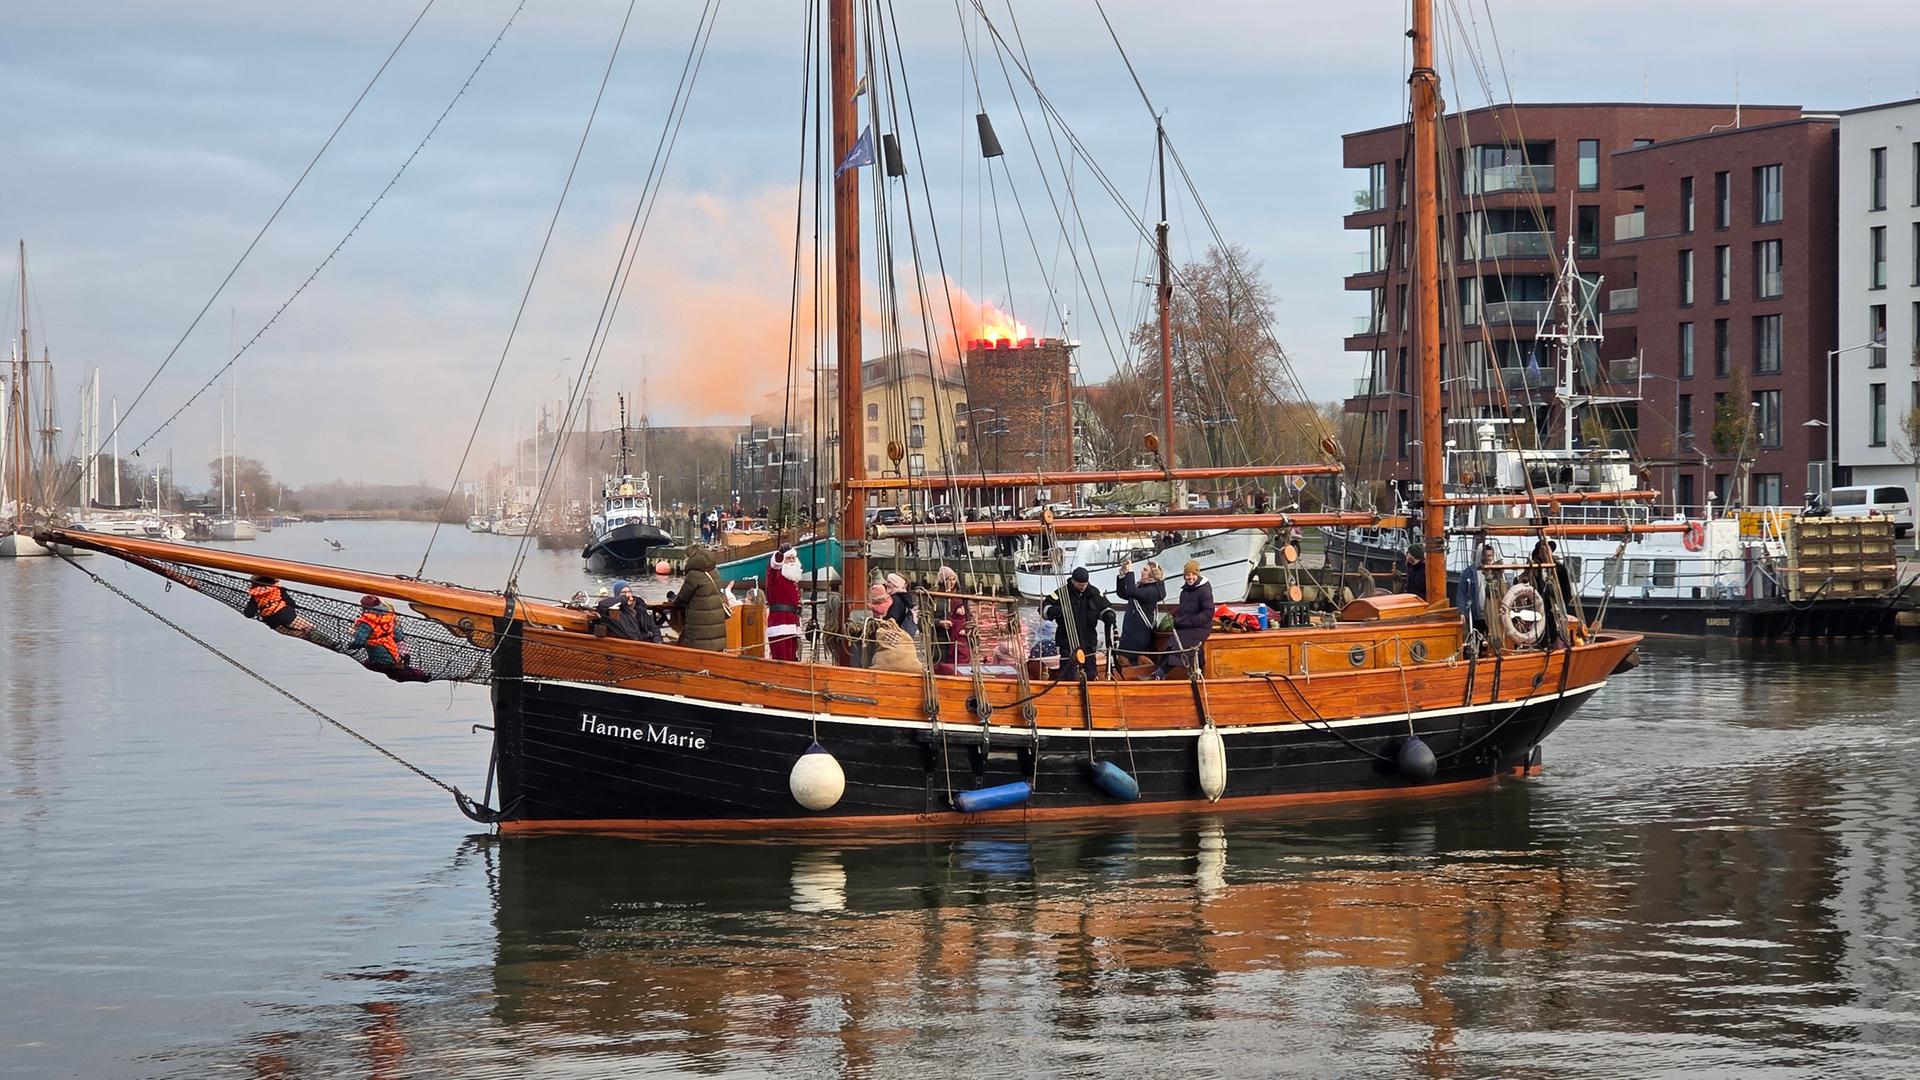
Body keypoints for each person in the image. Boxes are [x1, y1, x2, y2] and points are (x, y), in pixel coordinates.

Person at [1039, 567, 1113, 681]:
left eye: (1084, 584)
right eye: (1079, 584)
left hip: (1088, 643)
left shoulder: (1094, 593)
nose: (1082, 587)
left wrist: (1108, 614)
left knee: (1091, 674)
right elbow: (1043, 609)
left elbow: (1104, 607)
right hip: (1068, 643)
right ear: (1073, 581)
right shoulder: (1061, 593)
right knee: (1069, 676)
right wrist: (1056, 610)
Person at [1152, 560, 1213, 679]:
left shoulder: (1204, 591)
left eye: (1193, 574)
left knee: (1184, 644)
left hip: (1200, 626)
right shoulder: (1184, 592)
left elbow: (1208, 612)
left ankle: (1161, 674)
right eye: (1188, 575)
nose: (1190, 577)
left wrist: (1190, 622)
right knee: (1171, 644)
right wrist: (1177, 620)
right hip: (1186, 625)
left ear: (1198, 575)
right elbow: (1183, 610)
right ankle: (1159, 673)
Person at [349, 595, 432, 682]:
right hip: (391, 650)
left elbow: (360, 640)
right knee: (396, 670)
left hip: (377, 656)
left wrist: (352, 646)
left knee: (376, 666)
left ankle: (419, 676)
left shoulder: (367, 620)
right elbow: (398, 636)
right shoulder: (388, 617)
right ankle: (421, 675)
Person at [667, 548, 729, 651]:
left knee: (699, 648)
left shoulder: (694, 575)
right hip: (716, 617)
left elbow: (682, 597)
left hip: (700, 621)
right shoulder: (715, 571)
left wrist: (674, 600)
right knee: (714, 645)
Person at [1113, 558, 1166, 670]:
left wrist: (1130, 572)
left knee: (1134, 664)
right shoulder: (1142, 587)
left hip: (1139, 636)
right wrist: (1122, 575)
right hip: (1129, 634)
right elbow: (1123, 593)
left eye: (1145, 570)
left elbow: (1132, 591)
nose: (1141, 571)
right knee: (1123, 661)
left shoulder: (1152, 591)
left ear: (1152, 574)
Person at [864, 582, 922, 673]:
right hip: (900, 632)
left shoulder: (896, 600)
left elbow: (893, 617)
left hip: (890, 631)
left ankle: (883, 666)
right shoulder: (899, 599)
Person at [766, 544, 803, 661]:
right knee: (783, 659)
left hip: (792, 623)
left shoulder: (792, 579)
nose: (791, 561)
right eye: (788, 558)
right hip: (780, 624)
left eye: (793, 558)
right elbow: (774, 566)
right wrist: (780, 554)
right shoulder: (776, 576)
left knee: (792, 658)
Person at [932, 564, 970, 669]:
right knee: (940, 669)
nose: (951, 582)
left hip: (958, 644)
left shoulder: (961, 598)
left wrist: (967, 629)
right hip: (940, 645)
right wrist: (939, 623)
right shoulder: (933, 599)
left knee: (960, 669)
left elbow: (970, 620)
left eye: (953, 579)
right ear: (942, 581)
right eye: (948, 579)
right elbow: (923, 622)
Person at [883, 572, 918, 639]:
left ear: (895, 584)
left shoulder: (895, 600)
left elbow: (891, 620)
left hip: (894, 637)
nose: (886, 584)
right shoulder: (904, 599)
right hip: (901, 636)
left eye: (889, 582)